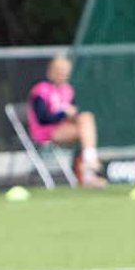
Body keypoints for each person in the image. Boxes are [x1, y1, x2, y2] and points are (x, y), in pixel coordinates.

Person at [27, 55, 104, 186]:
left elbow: (73, 112)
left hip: (64, 127)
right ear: (51, 72)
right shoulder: (40, 90)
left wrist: (72, 115)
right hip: (45, 132)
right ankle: (89, 171)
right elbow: (42, 119)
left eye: (65, 71)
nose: (63, 75)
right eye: (60, 71)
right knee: (85, 131)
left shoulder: (67, 90)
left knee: (86, 118)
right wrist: (63, 113)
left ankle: (89, 164)